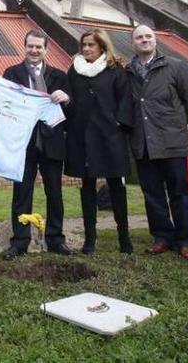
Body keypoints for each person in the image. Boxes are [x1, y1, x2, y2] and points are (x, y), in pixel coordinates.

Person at [127, 25, 188, 259]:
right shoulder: (128, 71)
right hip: (144, 143)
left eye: (148, 36)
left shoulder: (175, 66)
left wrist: (174, 125)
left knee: (179, 193)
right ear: (133, 42)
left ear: (155, 40)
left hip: (171, 142)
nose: (144, 40)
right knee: (153, 194)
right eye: (139, 37)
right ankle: (162, 237)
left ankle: (185, 240)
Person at [0, 30, 73, 260]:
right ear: (24, 47)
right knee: (21, 193)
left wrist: (67, 98)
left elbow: (71, 110)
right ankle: (20, 242)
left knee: (55, 193)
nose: (34, 51)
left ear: (45, 50)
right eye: (30, 46)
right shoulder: (11, 73)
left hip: (52, 143)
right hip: (24, 145)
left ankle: (56, 240)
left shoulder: (59, 76)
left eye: (38, 47)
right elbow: (5, 106)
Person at [64, 29, 133, 255]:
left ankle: (124, 238)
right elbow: (70, 100)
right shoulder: (74, 70)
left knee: (116, 186)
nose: (86, 49)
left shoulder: (115, 70)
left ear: (102, 47)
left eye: (91, 45)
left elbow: (126, 101)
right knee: (87, 187)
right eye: (83, 45)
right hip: (83, 138)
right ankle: (90, 239)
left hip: (110, 137)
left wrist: (117, 124)